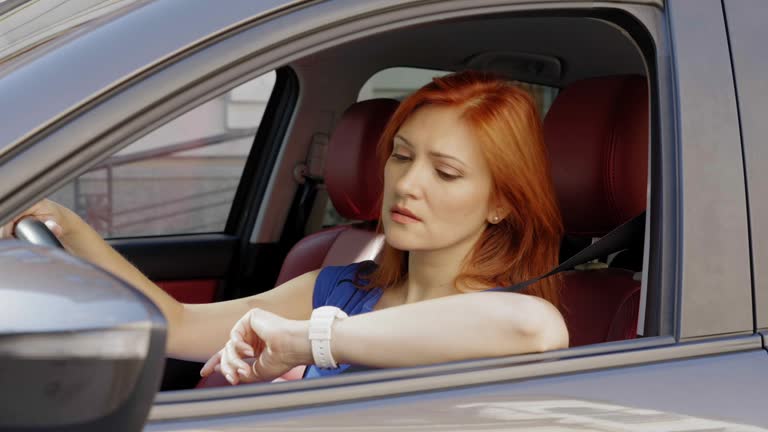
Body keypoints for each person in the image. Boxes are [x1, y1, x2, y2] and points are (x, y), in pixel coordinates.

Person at [1, 70, 568, 385]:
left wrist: (309, 342)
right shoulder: (341, 287)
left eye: (445, 172)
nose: (408, 184)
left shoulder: (496, 323)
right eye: (400, 156)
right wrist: (70, 230)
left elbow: (534, 329)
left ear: (500, 204)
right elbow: (174, 326)